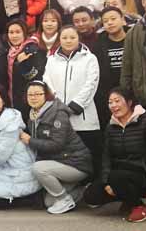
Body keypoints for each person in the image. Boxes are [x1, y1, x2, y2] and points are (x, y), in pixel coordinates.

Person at [83, 87, 146, 223]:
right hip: (118, 174)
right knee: (91, 195)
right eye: (110, 102)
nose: (113, 105)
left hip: (141, 173)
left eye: (117, 101)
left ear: (129, 102)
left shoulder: (145, 121)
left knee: (117, 177)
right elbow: (106, 156)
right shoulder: (111, 125)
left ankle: (138, 206)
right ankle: (129, 200)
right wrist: (106, 182)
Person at [22, 81, 93, 214]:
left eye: (38, 94)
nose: (33, 97)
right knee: (49, 202)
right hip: (60, 163)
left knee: (38, 168)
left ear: (46, 95)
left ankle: (65, 200)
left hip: (76, 163)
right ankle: (85, 191)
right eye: (30, 94)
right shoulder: (33, 115)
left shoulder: (57, 113)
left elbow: (56, 145)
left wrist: (30, 140)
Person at [43, 25, 102, 178]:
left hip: (83, 117)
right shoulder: (51, 60)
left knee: (87, 156)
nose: (68, 41)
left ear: (78, 38)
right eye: (64, 37)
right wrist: (59, 107)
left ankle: (90, 184)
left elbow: (91, 83)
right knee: (65, 157)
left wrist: (75, 106)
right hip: (58, 116)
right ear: (59, 39)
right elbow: (47, 82)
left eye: (72, 37)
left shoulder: (89, 58)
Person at [4, 19, 46, 118]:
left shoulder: (32, 49)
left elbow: (35, 76)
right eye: (11, 32)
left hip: (27, 100)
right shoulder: (8, 51)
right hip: (10, 99)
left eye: (18, 32)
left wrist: (23, 63)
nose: (14, 36)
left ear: (24, 33)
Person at [93, 6, 128, 125]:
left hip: (132, 91)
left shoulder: (134, 38)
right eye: (106, 21)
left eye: (113, 19)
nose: (110, 23)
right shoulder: (98, 44)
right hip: (108, 94)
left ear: (122, 19)